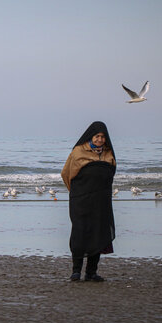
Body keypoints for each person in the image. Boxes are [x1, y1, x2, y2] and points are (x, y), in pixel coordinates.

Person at [61, 121, 116, 282]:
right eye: (97, 136)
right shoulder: (78, 152)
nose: (100, 139)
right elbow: (66, 174)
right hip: (81, 200)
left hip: (101, 201)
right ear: (90, 136)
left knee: (99, 233)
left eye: (103, 137)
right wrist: (78, 193)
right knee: (80, 232)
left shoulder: (108, 153)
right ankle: (76, 271)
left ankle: (91, 272)